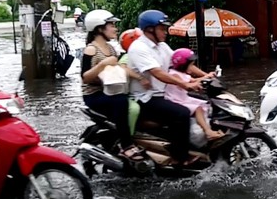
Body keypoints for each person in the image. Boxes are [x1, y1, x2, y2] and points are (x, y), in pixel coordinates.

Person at [127, 10, 202, 166]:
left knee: (202, 101)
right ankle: (179, 157)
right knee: (182, 113)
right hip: (147, 98)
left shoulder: (161, 46)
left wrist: (207, 75)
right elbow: (158, 73)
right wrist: (186, 84)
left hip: (163, 93)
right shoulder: (139, 48)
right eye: (162, 28)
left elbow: (180, 62)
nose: (165, 32)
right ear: (149, 30)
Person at [80, 9, 146, 163]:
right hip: (94, 95)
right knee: (121, 101)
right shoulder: (91, 49)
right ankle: (126, 145)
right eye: (111, 25)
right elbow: (85, 77)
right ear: (99, 28)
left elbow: (120, 68)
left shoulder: (110, 49)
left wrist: (141, 78)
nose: (115, 29)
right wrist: (102, 64)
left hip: (110, 90)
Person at [165, 48, 224, 141]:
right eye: (191, 65)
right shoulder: (174, 75)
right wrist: (203, 79)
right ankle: (208, 131)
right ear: (182, 65)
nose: (192, 68)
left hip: (183, 98)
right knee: (198, 108)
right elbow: (188, 84)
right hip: (175, 100)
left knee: (207, 104)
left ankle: (209, 127)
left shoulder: (183, 74)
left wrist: (207, 76)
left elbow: (194, 80)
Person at [118, 28, 148, 135]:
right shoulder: (127, 56)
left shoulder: (144, 55)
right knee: (134, 110)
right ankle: (129, 137)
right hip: (132, 94)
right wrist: (140, 78)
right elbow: (123, 68)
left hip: (144, 92)